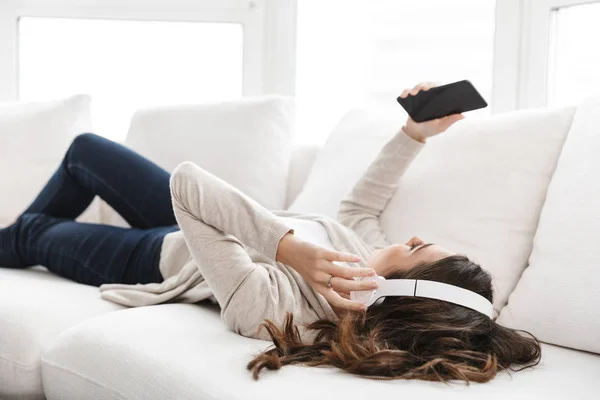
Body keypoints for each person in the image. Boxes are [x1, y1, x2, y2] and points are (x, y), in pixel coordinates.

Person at [0, 83, 540, 382]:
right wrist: (412, 133)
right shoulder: (357, 254)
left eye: (416, 248)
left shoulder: (274, 310)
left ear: (385, 292)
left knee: (33, 232)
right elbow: (361, 202)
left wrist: (288, 249)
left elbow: (189, 184)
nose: (411, 235)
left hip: (155, 253)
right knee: (86, 151)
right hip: (191, 220)